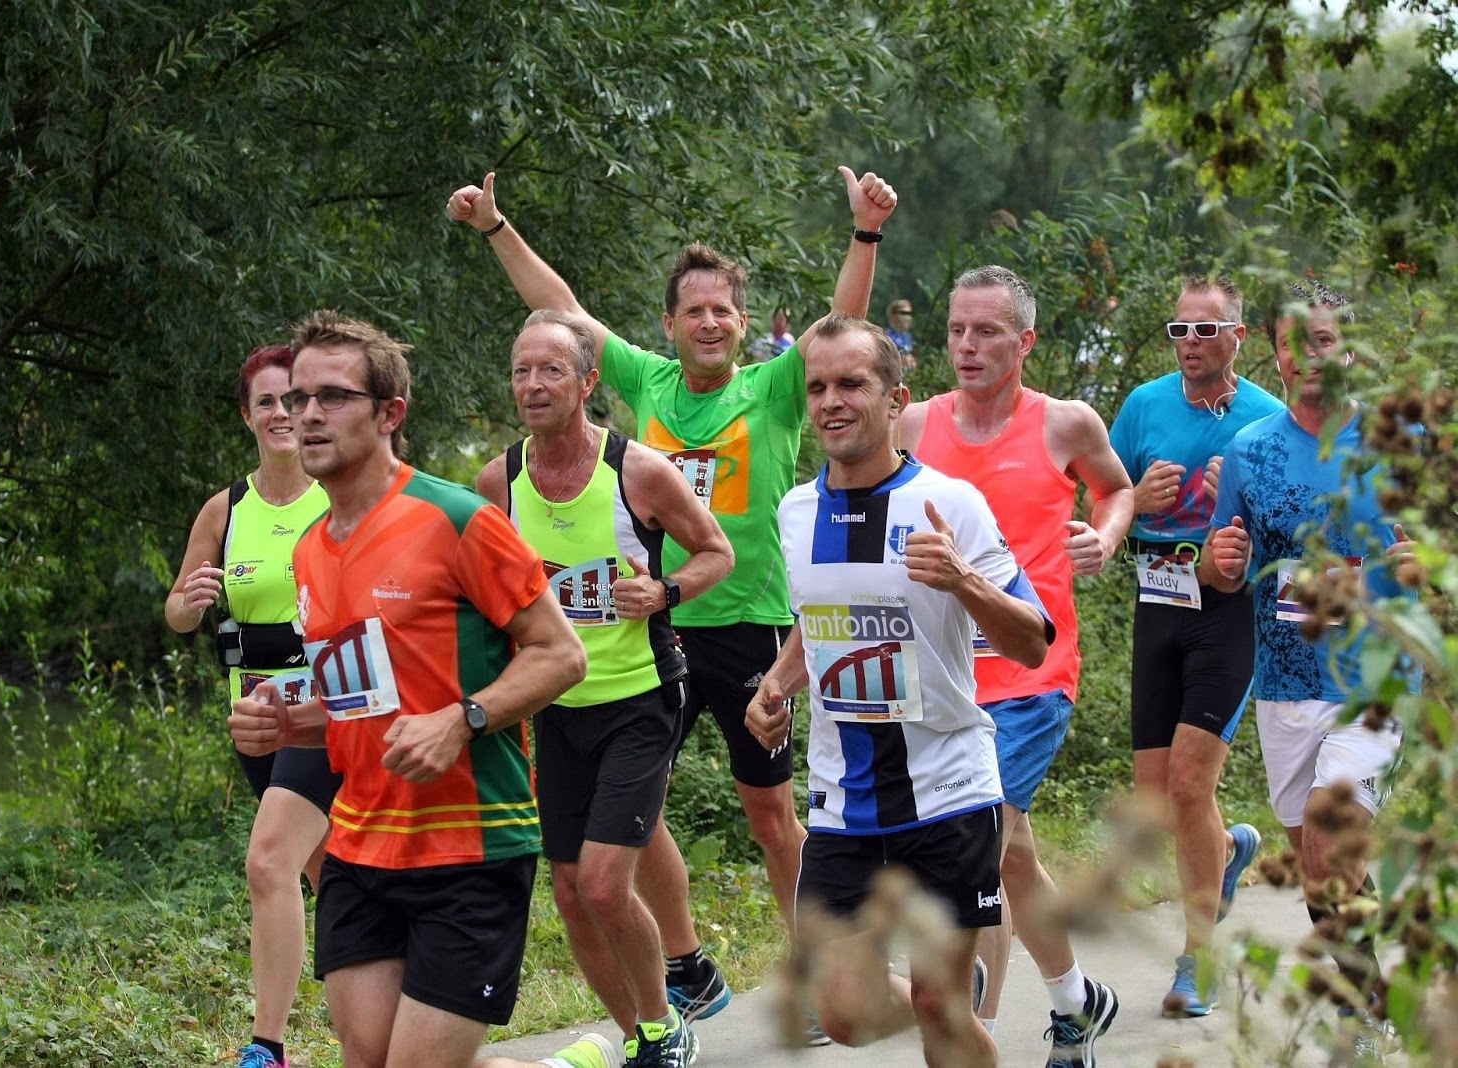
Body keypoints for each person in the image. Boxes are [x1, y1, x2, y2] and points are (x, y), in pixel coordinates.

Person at [448, 165, 896, 1036]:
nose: (709, 321)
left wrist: (865, 233)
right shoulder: (646, 382)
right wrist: (496, 227)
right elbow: (563, 310)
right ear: (670, 323)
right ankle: (687, 965)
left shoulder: (768, 388)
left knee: (770, 812)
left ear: (740, 321)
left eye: (723, 308)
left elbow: (841, 328)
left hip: (751, 621)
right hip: (647, 640)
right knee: (633, 810)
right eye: (693, 308)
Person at [226, 310, 603, 1068]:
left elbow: (561, 656)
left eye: (332, 397)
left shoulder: (456, 519)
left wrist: (461, 720)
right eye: (297, 399)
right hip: (361, 848)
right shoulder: (310, 549)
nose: (306, 416)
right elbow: (358, 703)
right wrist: (287, 724)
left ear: (389, 413)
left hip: (470, 845)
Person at [744, 314, 1052, 1068]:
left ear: (895, 399)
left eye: (852, 383)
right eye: (817, 386)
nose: (830, 401)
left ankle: (944, 991)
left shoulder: (950, 505)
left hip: (946, 793)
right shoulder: (795, 513)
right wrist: (779, 682)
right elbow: (817, 622)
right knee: (841, 1013)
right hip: (845, 804)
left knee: (943, 1014)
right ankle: (939, 989)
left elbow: (1033, 641)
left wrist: (965, 579)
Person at [475, 310, 735, 1068]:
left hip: (641, 698)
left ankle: (664, 1023)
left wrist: (666, 592)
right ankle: (641, 1036)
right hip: (554, 707)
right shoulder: (500, 482)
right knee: (565, 890)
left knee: (600, 881)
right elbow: (481, 590)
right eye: (522, 370)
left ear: (589, 382)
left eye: (550, 369)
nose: (532, 384)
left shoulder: (640, 472)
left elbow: (716, 552)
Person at [897, 265, 1134, 1065]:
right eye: (958, 329)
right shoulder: (915, 424)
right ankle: (1076, 1003)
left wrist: (1103, 535)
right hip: (939, 674)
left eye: (987, 331)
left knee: (982, 840)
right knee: (1016, 849)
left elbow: (1117, 490)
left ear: (1024, 341)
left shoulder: (1066, 424)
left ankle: (975, 1035)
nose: (967, 345)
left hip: (1033, 672)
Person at [1199, 281, 1414, 1060]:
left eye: (1326, 340)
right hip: (1286, 683)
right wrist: (1217, 564)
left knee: (1325, 841)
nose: (1311, 356)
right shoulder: (1249, 450)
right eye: (1297, 342)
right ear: (1277, 353)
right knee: (1326, 872)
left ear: (1347, 349)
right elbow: (1219, 573)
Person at [1107, 275, 1287, 1016]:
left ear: (1237, 336)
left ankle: (1196, 961)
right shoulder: (1144, 406)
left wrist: (1238, 510)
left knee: (1189, 786)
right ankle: (1231, 851)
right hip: (1157, 599)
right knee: (1160, 798)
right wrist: (1133, 500)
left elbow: (1294, 537)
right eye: (1179, 331)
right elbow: (1102, 498)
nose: (1190, 344)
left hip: (1229, 611)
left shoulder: (1268, 418)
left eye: (1205, 330)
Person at [165, 343, 339, 1068]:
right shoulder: (225, 507)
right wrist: (190, 600)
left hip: (328, 715)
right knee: (326, 871)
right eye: (266, 401)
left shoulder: (337, 494)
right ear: (247, 415)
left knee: (269, 861)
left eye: (292, 399)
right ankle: (375, 1000)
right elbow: (177, 610)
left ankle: (267, 1045)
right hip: (255, 722)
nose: (281, 413)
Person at [886, 298, 917, 369]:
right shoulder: (887, 337)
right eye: (904, 314)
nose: (908, 318)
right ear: (894, 316)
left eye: (909, 314)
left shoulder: (908, 337)